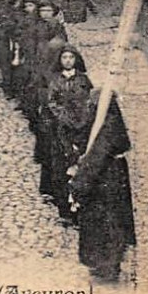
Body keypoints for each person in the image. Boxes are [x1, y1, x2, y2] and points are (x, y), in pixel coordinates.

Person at [69, 92, 136, 282]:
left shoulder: (107, 130)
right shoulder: (108, 125)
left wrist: (79, 184)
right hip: (109, 178)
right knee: (107, 223)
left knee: (108, 224)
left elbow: (97, 159)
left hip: (107, 180)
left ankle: (108, 265)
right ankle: (103, 263)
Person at [45, 45, 93, 222]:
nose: (67, 61)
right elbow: (52, 103)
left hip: (81, 129)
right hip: (61, 130)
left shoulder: (83, 80)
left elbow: (88, 101)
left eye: (71, 58)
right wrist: (64, 118)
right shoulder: (55, 81)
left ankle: (79, 207)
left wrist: (82, 120)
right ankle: (64, 208)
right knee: (61, 168)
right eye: (64, 58)